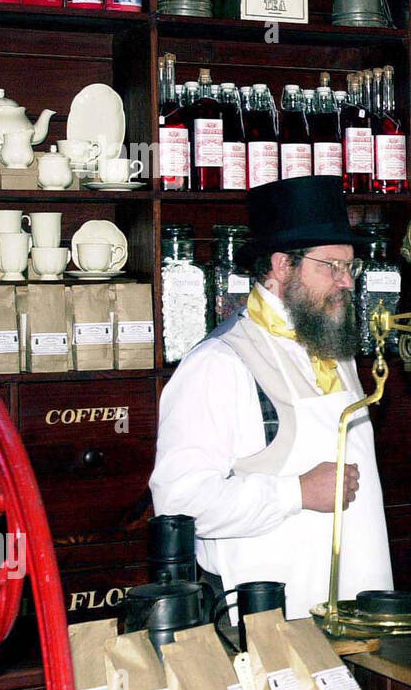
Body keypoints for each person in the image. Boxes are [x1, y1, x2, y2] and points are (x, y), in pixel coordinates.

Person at [150, 175, 393, 619]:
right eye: (331, 267)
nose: (348, 284)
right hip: (273, 633)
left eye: (350, 268)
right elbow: (178, 504)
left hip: (361, 617)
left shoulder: (332, 345)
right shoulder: (219, 363)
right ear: (283, 266)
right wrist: (294, 493)